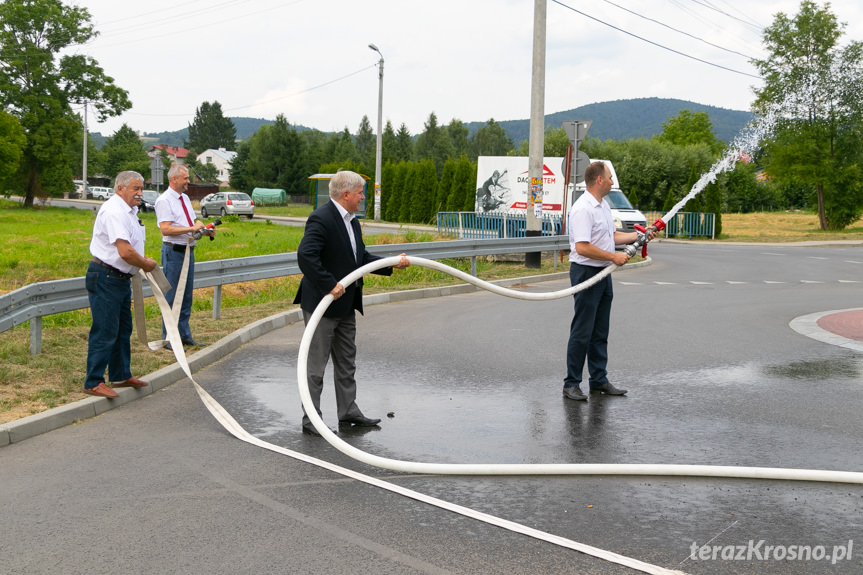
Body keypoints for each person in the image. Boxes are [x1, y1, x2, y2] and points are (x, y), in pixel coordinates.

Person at [293, 170, 410, 436]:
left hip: (345, 305)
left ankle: (348, 412)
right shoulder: (321, 219)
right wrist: (329, 284)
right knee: (315, 367)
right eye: (360, 193)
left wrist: (392, 263)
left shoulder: (352, 221)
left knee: (347, 362)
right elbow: (306, 256)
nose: (363, 197)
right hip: (323, 305)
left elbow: (361, 257)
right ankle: (312, 420)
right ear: (345, 194)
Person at [563, 161, 656, 401]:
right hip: (586, 273)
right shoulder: (583, 208)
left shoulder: (603, 206)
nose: (613, 182)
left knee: (600, 331)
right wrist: (613, 256)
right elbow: (582, 248)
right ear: (599, 180)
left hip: (603, 274)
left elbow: (612, 236)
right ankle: (571, 384)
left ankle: (598, 380)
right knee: (582, 332)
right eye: (610, 178)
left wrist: (641, 234)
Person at [83, 171, 158, 398]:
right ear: (120, 189)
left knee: (122, 329)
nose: (140, 193)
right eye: (135, 189)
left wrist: (140, 263)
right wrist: (145, 263)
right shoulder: (115, 211)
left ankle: (120, 375)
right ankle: (93, 381)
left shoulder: (130, 211)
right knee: (105, 330)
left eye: (141, 189)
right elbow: (125, 252)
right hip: (106, 276)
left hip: (120, 278)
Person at [154, 164, 210, 348]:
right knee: (172, 296)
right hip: (174, 252)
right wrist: (191, 228)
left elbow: (189, 224)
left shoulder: (184, 198)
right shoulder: (164, 200)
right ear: (174, 179)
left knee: (186, 296)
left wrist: (204, 231)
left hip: (187, 251)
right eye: (185, 178)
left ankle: (184, 334)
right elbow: (166, 228)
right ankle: (169, 337)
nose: (188, 181)